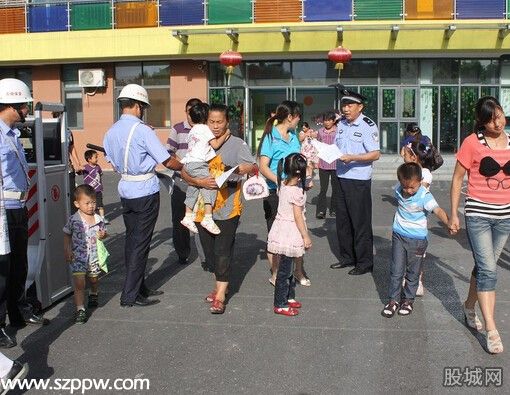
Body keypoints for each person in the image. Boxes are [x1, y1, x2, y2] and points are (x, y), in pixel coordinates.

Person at [103, 84, 185, 307]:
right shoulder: (142, 130)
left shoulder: (111, 131)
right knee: (141, 243)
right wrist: (184, 167)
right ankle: (130, 295)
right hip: (145, 190)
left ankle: (140, 287)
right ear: (139, 106)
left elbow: (111, 160)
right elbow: (166, 160)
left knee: (133, 240)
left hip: (126, 189)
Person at [449, 96, 510, 354]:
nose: (497, 122)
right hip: (478, 215)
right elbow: (457, 179)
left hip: (505, 216)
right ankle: (492, 329)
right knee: (489, 271)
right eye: (491, 119)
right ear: (482, 122)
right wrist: (453, 214)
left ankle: (468, 306)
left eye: (499, 116)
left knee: (484, 268)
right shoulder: (472, 142)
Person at [0, 78, 48, 349]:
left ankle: (17, 313)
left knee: (19, 265)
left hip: (18, 207)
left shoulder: (13, 134)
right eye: (24, 105)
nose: (27, 110)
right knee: (2, 272)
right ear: (13, 104)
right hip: (3, 210)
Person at [196, 104, 256, 314]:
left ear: (226, 122)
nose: (215, 126)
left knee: (223, 250)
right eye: (211, 122)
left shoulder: (237, 144)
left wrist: (235, 170)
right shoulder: (200, 142)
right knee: (210, 253)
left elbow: (251, 165)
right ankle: (220, 284)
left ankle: (220, 295)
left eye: (219, 122)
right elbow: (187, 167)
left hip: (228, 206)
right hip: (203, 208)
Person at [381, 162, 449, 318]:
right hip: (398, 235)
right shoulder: (399, 189)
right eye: (405, 187)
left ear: (420, 181)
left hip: (418, 240)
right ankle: (393, 300)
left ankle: (408, 300)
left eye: (412, 187)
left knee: (413, 272)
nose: (408, 191)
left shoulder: (425, 196)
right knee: (396, 270)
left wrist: (448, 222)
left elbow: (437, 210)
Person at [258, 101, 311, 287]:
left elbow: (299, 161)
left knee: (298, 229)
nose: (299, 122)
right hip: (275, 192)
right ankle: (275, 273)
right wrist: (280, 183)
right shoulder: (270, 138)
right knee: (276, 234)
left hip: (295, 190)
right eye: (298, 118)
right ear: (290, 117)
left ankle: (298, 271)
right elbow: (263, 166)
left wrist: (305, 178)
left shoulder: (293, 136)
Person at [330, 89, 380, 275]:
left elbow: (375, 154)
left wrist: (353, 157)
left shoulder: (368, 126)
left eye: (350, 105)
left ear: (360, 107)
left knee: (360, 222)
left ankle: (365, 262)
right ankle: (347, 257)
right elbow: (338, 147)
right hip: (341, 176)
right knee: (342, 221)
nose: (346, 109)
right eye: (344, 105)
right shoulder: (341, 124)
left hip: (358, 180)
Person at [268, 153, 312, 317]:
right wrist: (305, 236)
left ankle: (288, 297)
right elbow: (297, 216)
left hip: (280, 229)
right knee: (285, 271)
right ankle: (280, 303)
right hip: (290, 232)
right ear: (300, 173)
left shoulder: (282, 184)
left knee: (287, 267)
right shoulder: (296, 192)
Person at [179, 103, 230, 235]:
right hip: (198, 163)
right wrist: (226, 134)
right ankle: (208, 217)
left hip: (188, 163)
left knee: (194, 187)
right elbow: (216, 144)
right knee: (210, 185)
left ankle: (188, 216)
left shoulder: (192, 131)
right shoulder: (204, 129)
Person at [167, 98, 205, 266]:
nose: (191, 116)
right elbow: (169, 153)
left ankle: (206, 254)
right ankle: (182, 252)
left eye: (194, 112)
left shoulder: (204, 129)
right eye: (189, 112)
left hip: (200, 181)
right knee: (179, 219)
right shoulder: (178, 129)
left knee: (202, 217)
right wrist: (182, 167)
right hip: (181, 181)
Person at [63, 185, 107, 324]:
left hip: (94, 257)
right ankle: (80, 309)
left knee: (94, 280)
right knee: (79, 284)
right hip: (78, 257)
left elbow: (104, 233)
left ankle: (93, 293)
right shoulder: (73, 220)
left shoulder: (98, 219)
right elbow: (66, 234)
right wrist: (67, 249)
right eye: (87, 203)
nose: (91, 206)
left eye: (93, 202)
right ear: (77, 204)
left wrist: (103, 234)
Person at [400, 138, 438, 296]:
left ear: (414, 157)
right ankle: (406, 278)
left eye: (406, 154)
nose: (403, 156)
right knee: (404, 253)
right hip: (404, 222)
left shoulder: (425, 174)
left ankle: (417, 281)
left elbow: (420, 193)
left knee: (418, 254)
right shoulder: (409, 172)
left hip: (418, 224)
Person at [315, 110, 340, 219]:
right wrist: (316, 161)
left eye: (329, 120)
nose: (327, 122)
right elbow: (317, 147)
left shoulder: (339, 131)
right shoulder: (320, 132)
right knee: (323, 189)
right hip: (323, 165)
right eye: (325, 120)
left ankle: (334, 210)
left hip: (336, 164)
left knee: (335, 189)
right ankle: (321, 211)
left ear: (334, 121)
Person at [82, 149, 107, 221]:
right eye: (95, 157)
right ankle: (93, 219)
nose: (97, 159)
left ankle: (102, 219)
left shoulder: (97, 167)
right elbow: (78, 172)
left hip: (98, 190)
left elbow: (100, 174)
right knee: (92, 206)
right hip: (89, 191)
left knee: (100, 205)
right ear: (89, 159)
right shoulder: (85, 168)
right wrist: (78, 168)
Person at [298, 122, 318, 188]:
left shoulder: (311, 131)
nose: (303, 129)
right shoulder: (301, 133)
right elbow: (300, 139)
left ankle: (309, 180)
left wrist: (312, 134)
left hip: (311, 150)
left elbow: (316, 136)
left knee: (310, 165)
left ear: (308, 127)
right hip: (304, 151)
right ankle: (307, 179)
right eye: (302, 127)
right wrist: (307, 134)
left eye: (305, 127)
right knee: (305, 165)